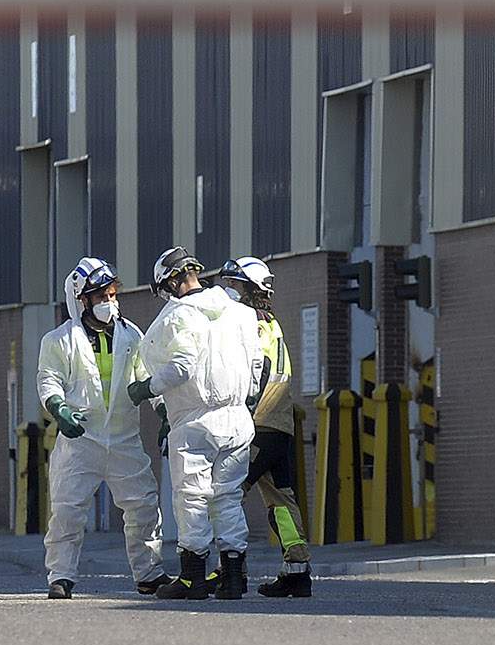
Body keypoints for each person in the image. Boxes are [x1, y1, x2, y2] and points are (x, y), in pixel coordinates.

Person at [129, 246, 261, 600]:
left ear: (170, 283)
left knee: (192, 500)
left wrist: (146, 388)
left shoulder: (178, 316)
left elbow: (182, 366)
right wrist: (245, 401)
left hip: (195, 421)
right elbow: (257, 365)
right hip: (237, 419)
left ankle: (192, 579)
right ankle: (233, 578)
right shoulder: (240, 312)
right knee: (228, 499)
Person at [37, 257, 170, 600]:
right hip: (80, 439)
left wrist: (164, 413)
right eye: (101, 296)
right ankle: (61, 576)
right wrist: (59, 409)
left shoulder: (132, 335)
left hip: (124, 438)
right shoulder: (59, 340)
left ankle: (149, 573)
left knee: (143, 506)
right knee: (67, 510)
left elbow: (145, 377)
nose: (109, 303)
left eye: (112, 294)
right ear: (81, 300)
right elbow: (48, 379)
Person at [219, 256, 313, 597]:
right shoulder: (271, 322)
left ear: (247, 289)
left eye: (233, 285)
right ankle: (298, 572)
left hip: (257, 423)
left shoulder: (251, 326)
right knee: (281, 501)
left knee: (225, 495)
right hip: (280, 426)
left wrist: (240, 410)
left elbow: (258, 370)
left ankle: (231, 570)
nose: (227, 292)